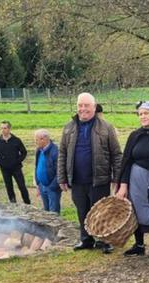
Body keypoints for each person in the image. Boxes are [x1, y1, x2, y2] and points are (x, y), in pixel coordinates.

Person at [57, 93, 123, 253]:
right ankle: (86, 239)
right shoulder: (68, 128)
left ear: (94, 107)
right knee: (82, 211)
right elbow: (62, 154)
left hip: (99, 179)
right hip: (77, 180)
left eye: (86, 105)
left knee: (101, 212)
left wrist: (117, 178)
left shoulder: (106, 127)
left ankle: (103, 241)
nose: (83, 109)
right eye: (80, 105)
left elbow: (116, 154)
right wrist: (62, 177)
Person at [116, 101, 149, 258]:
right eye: (140, 114)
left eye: (146, 113)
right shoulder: (134, 136)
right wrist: (123, 185)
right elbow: (126, 161)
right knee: (136, 211)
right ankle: (139, 244)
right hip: (136, 182)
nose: (143, 116)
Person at [0, 121, 31, 204]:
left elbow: (24, 152)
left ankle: (27, 203)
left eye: (4, 128)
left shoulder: (16, 140)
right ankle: (13, 204)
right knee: (9, 187)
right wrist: (0, 163)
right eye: (1, 128)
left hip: (16, 168)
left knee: (22, 186)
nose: (2, 130)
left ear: (9, 129)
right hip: (5, 169)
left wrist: (17, 161)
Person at [33, 129, 61, 214]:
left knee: (53, 213)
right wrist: (38, 183)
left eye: (36, 139)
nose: (35, 142)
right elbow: (37, 165)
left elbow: (60, 171)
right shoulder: (39, 150)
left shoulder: (55, 151)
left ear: (43, 139)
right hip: (42, 185)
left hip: (52, 187)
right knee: (46, 211)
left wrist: (52, 187)